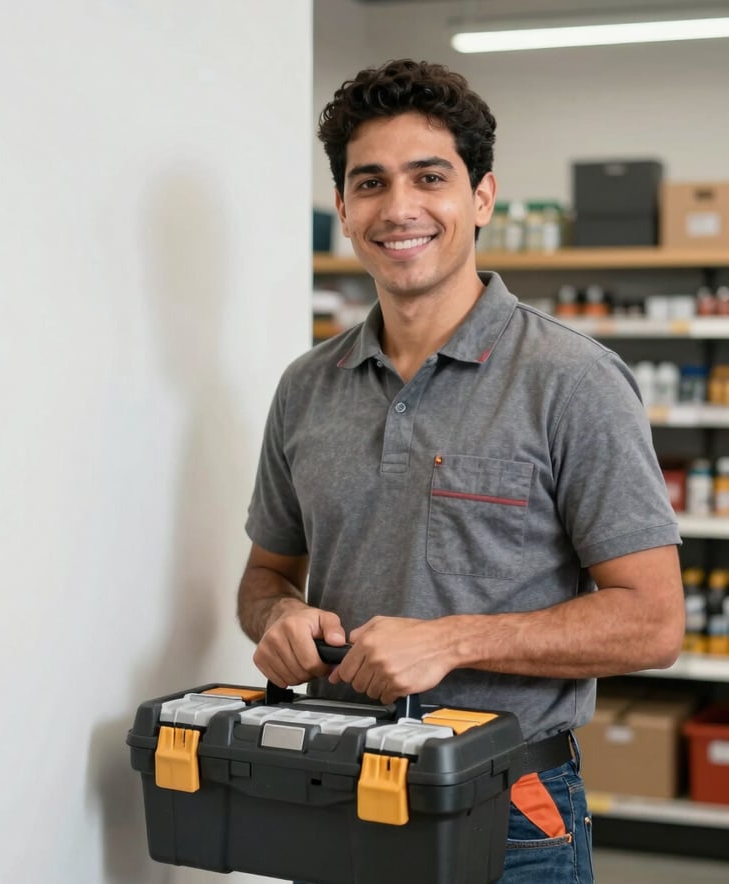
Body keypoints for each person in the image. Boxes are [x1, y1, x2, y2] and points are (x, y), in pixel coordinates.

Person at [237, 58, 684, 882]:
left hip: (508, 809)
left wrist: (451, 641)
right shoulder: (306, 388)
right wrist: (276, 620)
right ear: (342, 207)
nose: (398, 208)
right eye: (370, 183)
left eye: (429, 177)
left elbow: (653, 622)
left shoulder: (572, 379)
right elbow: (265, 576)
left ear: (480, 197)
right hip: (335, 789)